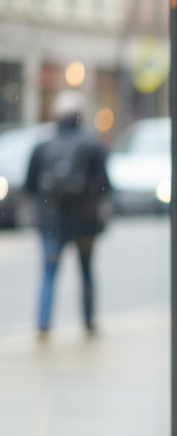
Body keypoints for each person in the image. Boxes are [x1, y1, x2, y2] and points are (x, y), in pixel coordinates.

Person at [25, 89, 110, 339]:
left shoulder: (43, 146)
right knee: (86, 272)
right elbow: (104, 186)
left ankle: (43, 326)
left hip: (51, 221)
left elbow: (30, 186)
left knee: (49, 273)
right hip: (84, 221)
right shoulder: (92, 145)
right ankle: (89, 322)